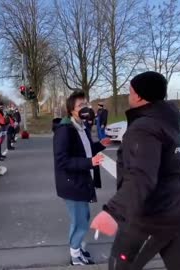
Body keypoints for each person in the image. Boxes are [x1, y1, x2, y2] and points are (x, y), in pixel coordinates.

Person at [90, 71, 180, 270]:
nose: (129, 95)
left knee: (121, 265)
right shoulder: (168, 119)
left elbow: (141, 175)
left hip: (151, 217)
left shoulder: (144, 128)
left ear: (139, 96)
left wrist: (113, 212)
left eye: (130, 92)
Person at [53, 90, 112, 266]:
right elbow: (62, 161)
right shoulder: (65, 130)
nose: (85, 108)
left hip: (82, 181)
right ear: (72, 110)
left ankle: (77, 248)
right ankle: (75, 255)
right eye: (81, 105)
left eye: (86, 104)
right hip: (72, 183)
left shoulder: (83, 127)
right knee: (80, 221)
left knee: (83, 218)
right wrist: (89, 163)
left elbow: (86, 151)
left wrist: (100, 145)